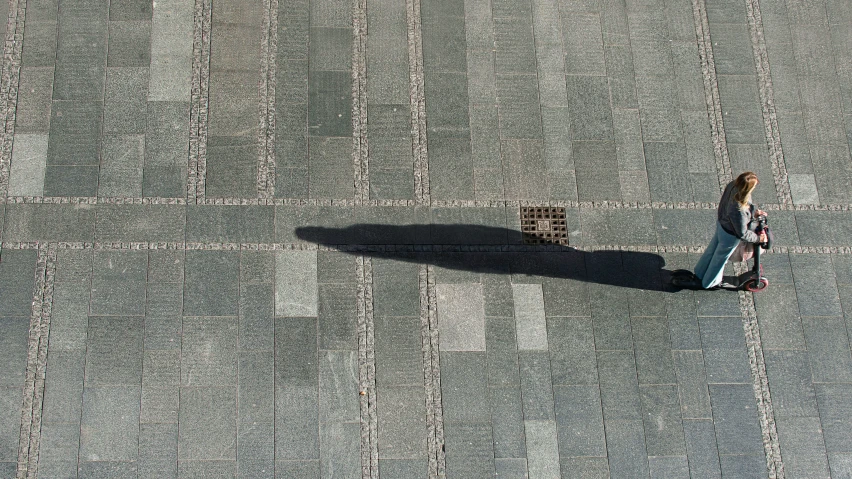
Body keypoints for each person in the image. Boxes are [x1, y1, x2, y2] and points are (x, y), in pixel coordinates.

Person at [693, 171, 768, 289]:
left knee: (712, 250)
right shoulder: (739, 209)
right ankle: (709, 282)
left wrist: (753, 213)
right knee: (720, 258)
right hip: (730, 235)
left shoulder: (732, 185)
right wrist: (758, 238)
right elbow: (742, 233)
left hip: (722, 224)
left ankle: (700, 272)